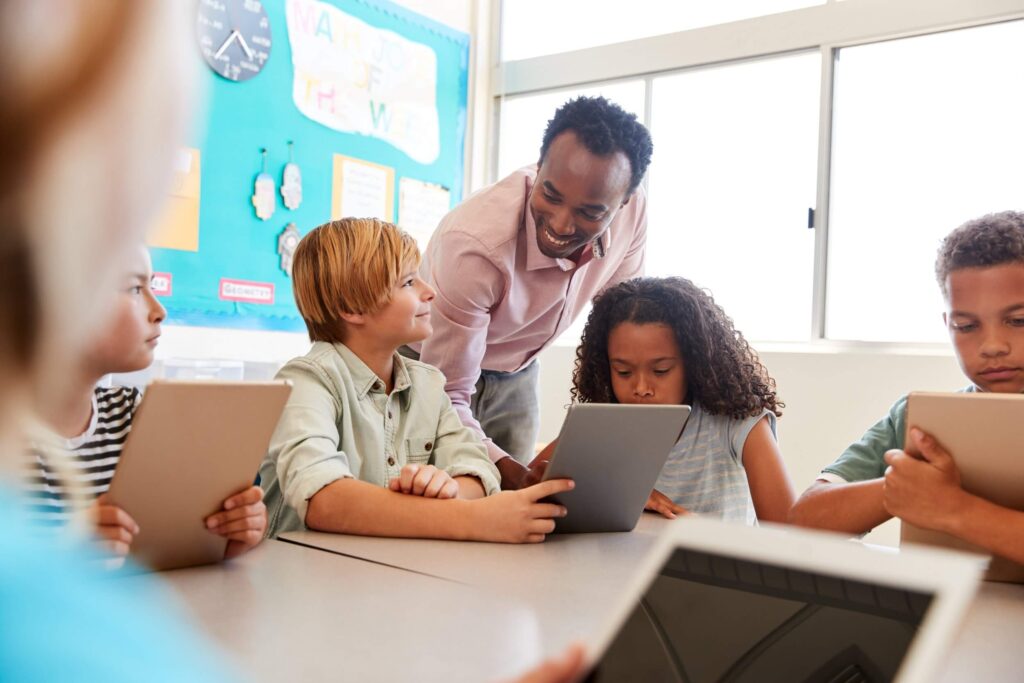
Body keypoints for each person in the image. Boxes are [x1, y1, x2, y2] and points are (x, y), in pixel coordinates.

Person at [259, 218, 573, 542]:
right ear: (352, 307)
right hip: (303, 578)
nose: (431, 292)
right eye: (409, 283)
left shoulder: (429, 384)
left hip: (383, 575)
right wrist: (469, 519)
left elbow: (477, 472)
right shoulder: (307, 382)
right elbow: (324, 500)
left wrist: (446, 489)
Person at [410, 96, 654, 490]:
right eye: (551, 196)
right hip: (430, 369)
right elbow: (446, 394)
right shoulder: (474, 246)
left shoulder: (634, 209)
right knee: (447, 506)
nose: (560, 223)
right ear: (537, 169)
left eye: (590, 212)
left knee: (522, 524)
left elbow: (621, 324)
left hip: (518, 372)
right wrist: (514, 475)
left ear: (622, 203)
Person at [788, 211, 1024, 565]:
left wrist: (953, 509)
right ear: (948, 324)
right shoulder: (921, 420)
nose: (992, 345)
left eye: (1018, 320)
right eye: (966, 325)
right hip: (949, 614)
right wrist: (901, 489)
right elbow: (803, 521)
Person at [22, 245, 267, 560]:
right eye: (135, 288)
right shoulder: (11, 437)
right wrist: (63, 556)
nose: (159, 310)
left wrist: (230, 533)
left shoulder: (135, 413)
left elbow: (179, 540)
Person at [535, 277, 795, 523]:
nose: (641, 388)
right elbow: (525, 483)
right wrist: (609, 494)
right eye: (623, 372)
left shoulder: (738, 422)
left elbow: (788, 533)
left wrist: (700, 533)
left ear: (694, 365)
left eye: (661, 371)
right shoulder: (601, 426)